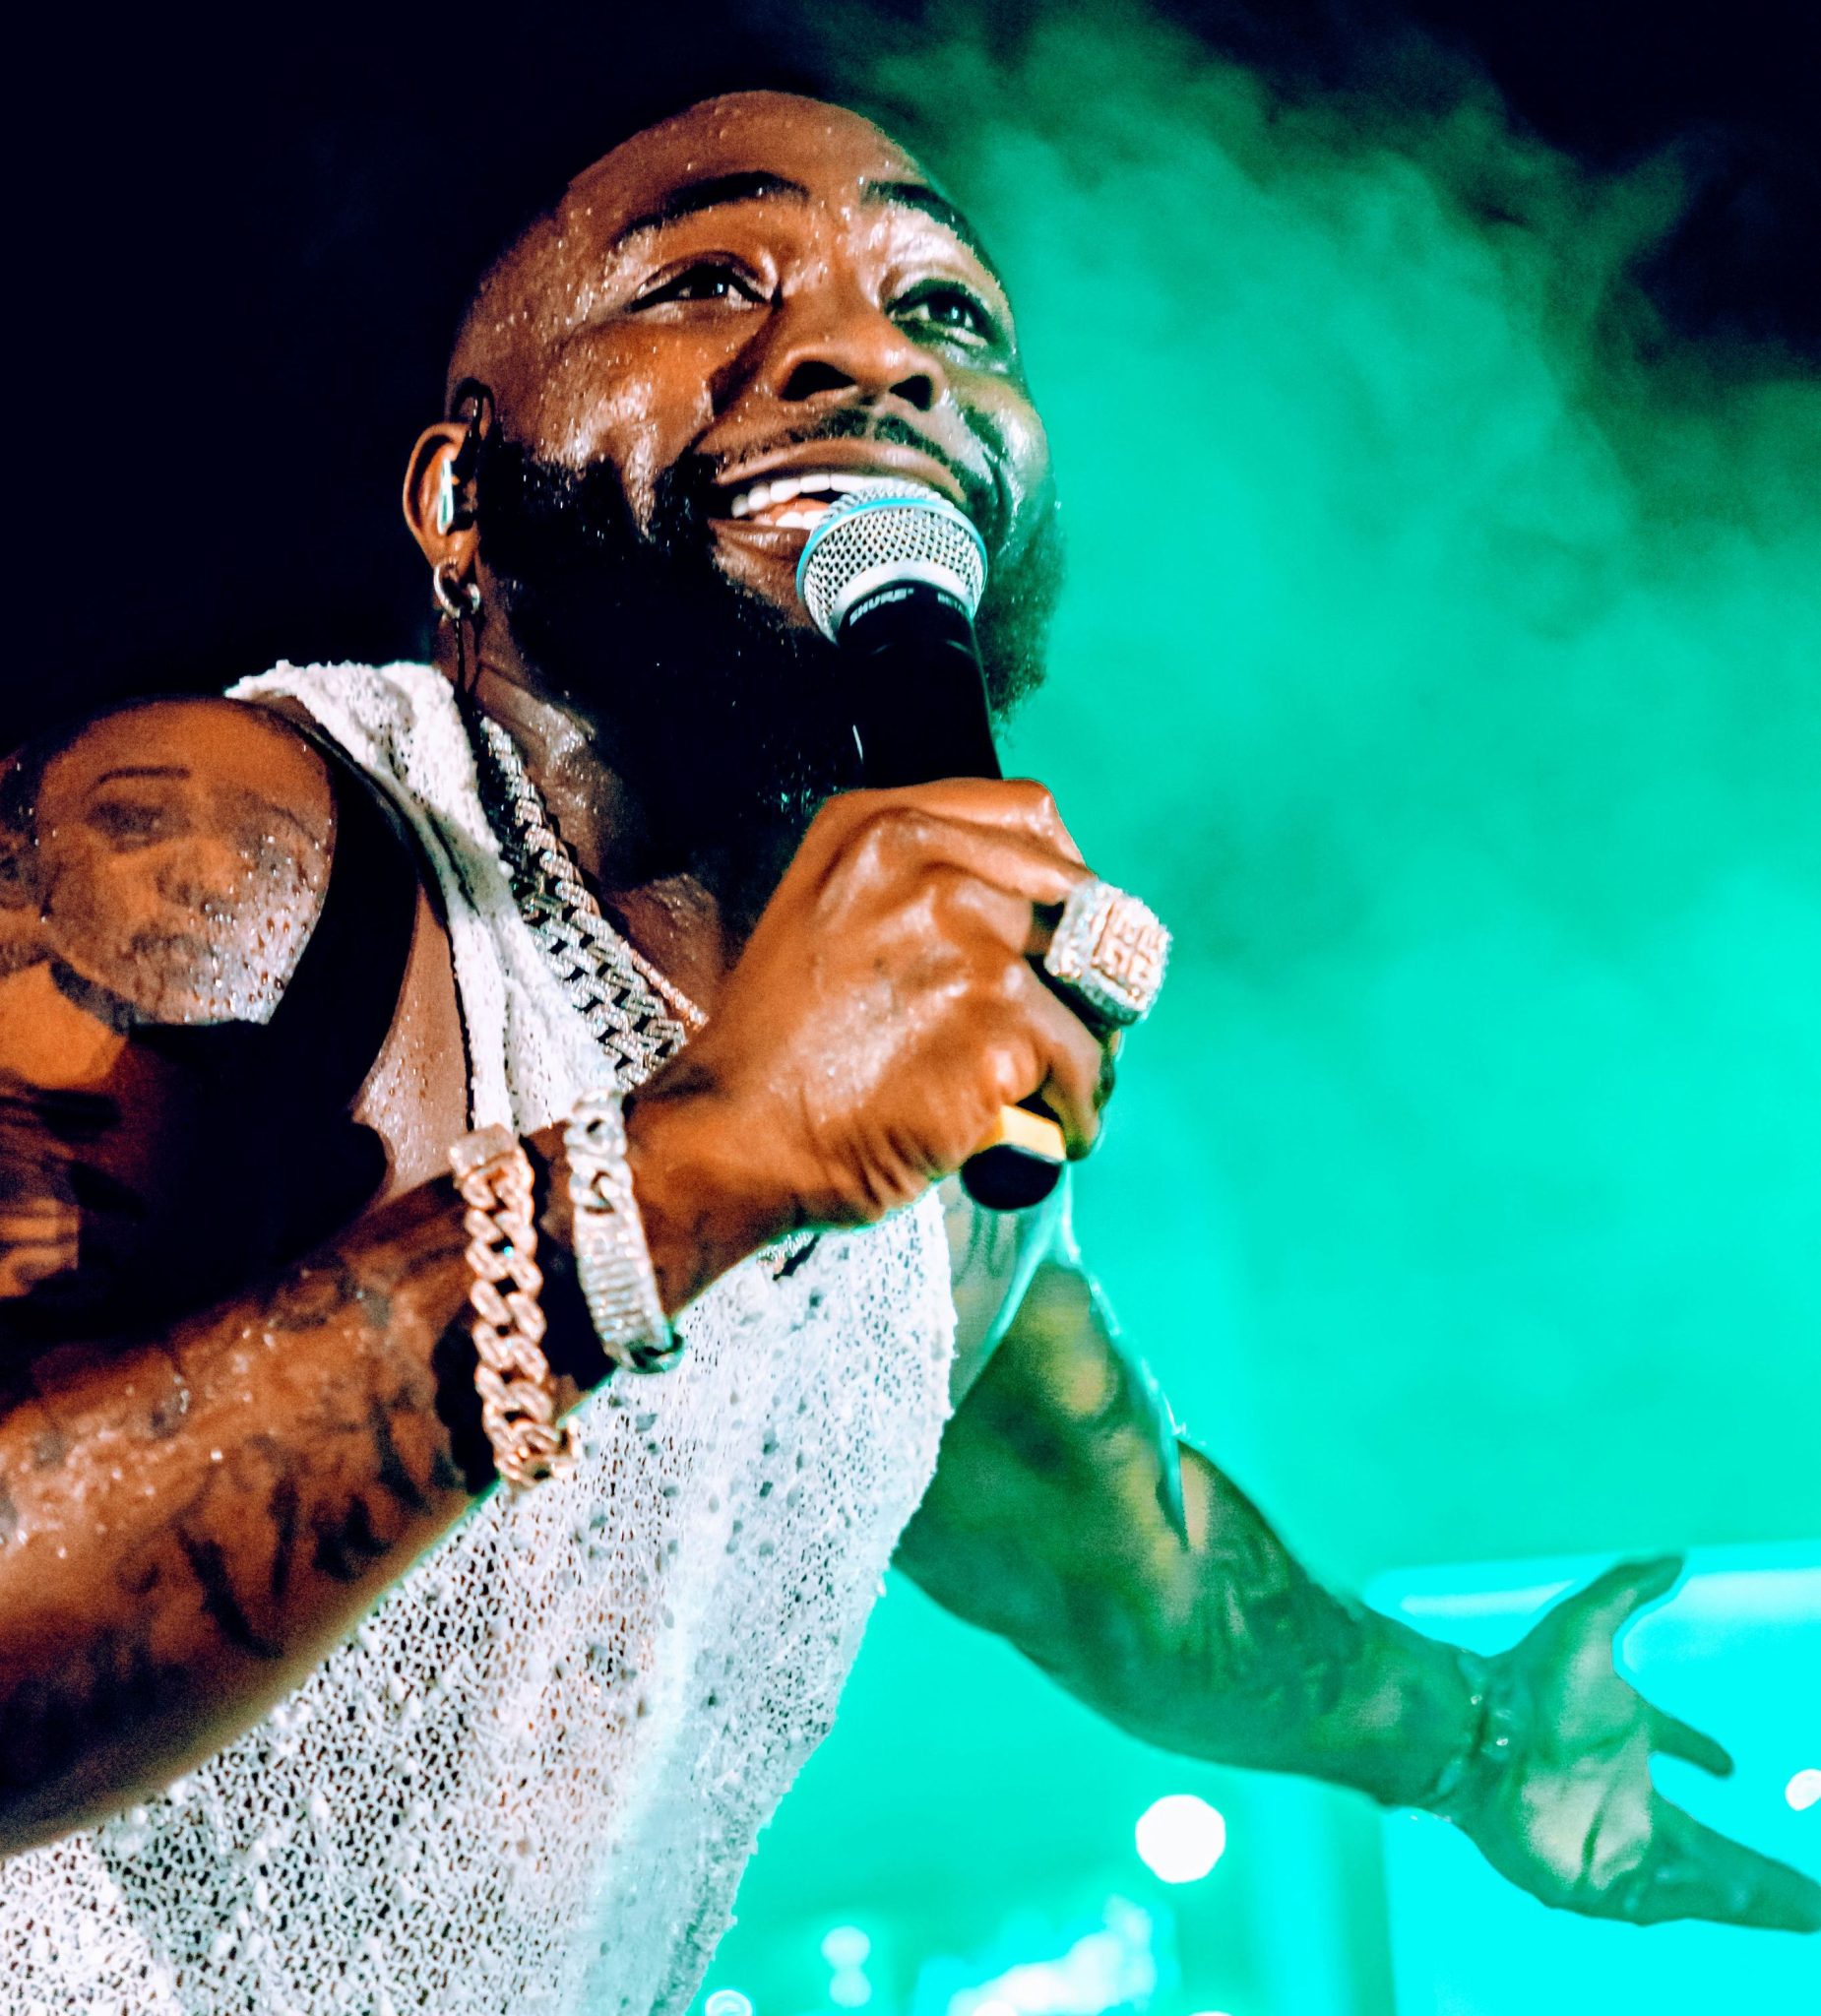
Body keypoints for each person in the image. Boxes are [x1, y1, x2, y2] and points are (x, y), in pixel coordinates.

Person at [1, 88, 1814, 2016]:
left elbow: (1131, 1565)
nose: (870, 354)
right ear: (459, 496)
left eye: (948, 312)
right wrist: (696, 1163)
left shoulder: (924, 1114)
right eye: (710, 278)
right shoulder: (223, 846)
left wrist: (1474, 1739)